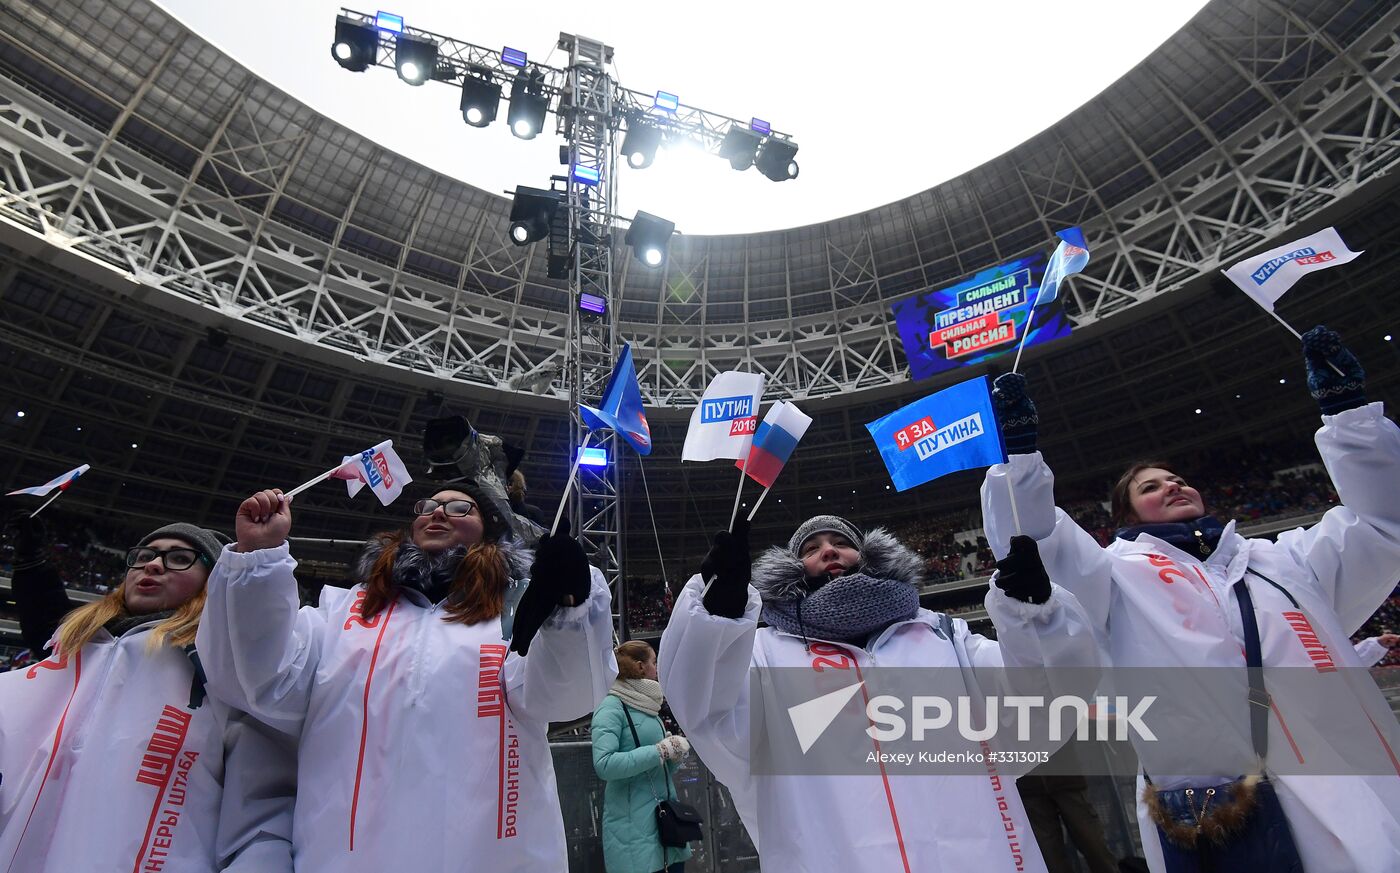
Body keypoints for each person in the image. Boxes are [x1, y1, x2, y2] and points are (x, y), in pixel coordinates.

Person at [981, 326, 1400, 872]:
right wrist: (1021, 457)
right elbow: (1031, 547)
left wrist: (1350, 417)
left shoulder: (1283, 561)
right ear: (1126, 518)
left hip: (1357, 789)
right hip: (1229, 817)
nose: (1172, 485)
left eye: (1177, 478)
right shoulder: (1113, 577)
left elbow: (1382, 522)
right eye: (1151, 487)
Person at [196, 483, 616, 871]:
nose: (437, 513)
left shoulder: (514, 614)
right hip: (346, 857)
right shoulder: (342, 612)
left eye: (458, 508)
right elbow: (261, 679)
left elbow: (564, 696)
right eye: (427, 507)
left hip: (491, 855)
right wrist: (258, 560)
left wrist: (569, 608)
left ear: (487, 533)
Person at [660, 514, 1100, 873]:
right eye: (811, 549)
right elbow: (709, 717)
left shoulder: (944, 636)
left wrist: (1036, 614)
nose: (827, 550)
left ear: (868, 556)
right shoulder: (765, 655)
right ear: (794, 572)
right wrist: (716, 617)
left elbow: (1038, 707)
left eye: (839, 542)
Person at [0, 520, 294, 872]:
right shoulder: (76, 651)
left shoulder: (226, 671)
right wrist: (33, 564)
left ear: (212, 581)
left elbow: (261, 816)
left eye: (180, 557)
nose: (153, 565)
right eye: (144, 556)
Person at [592, 640, 693, 873]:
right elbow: (604, 764)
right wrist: (658, 751)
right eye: (654, 662)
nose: (657, 669)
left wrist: (672, 758)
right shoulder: (611, 707)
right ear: (640, 667)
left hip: (665, 827)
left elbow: (653, 769)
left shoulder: (646, 706)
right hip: (634, 834)